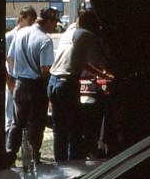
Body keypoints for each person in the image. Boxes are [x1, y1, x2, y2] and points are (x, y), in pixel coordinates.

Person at [47, 9, 111, 161]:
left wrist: (99, 74)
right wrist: (111, 72)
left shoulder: (69, 32)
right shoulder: (88, 35)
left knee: (59, 129)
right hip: (67, 85)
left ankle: (60, 164)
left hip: (53, 81)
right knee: (75, 129)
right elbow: (101, 60)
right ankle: (74, 167)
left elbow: (78, 59)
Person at [6, 6, 59, 162]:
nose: (55, 26)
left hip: (20, 84)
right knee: (35, 124)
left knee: (17, 123)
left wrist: (15, 76)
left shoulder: (21, 33)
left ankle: (10, 154)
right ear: (48, 21)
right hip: (36, 86)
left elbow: (10, 58)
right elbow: (44, 70)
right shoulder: (45, 40)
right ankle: (32, 157)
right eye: (54, 22)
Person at [5, 6, 37, 147]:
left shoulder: (28, 35)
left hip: (22, 80)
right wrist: (9, 81)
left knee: (23, 118)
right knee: (11, 118)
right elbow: (6, 60)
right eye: (29, 20)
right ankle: (9, 147)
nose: (31, 24)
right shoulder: (10, 36)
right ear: (22, 17)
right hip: (13, 79)